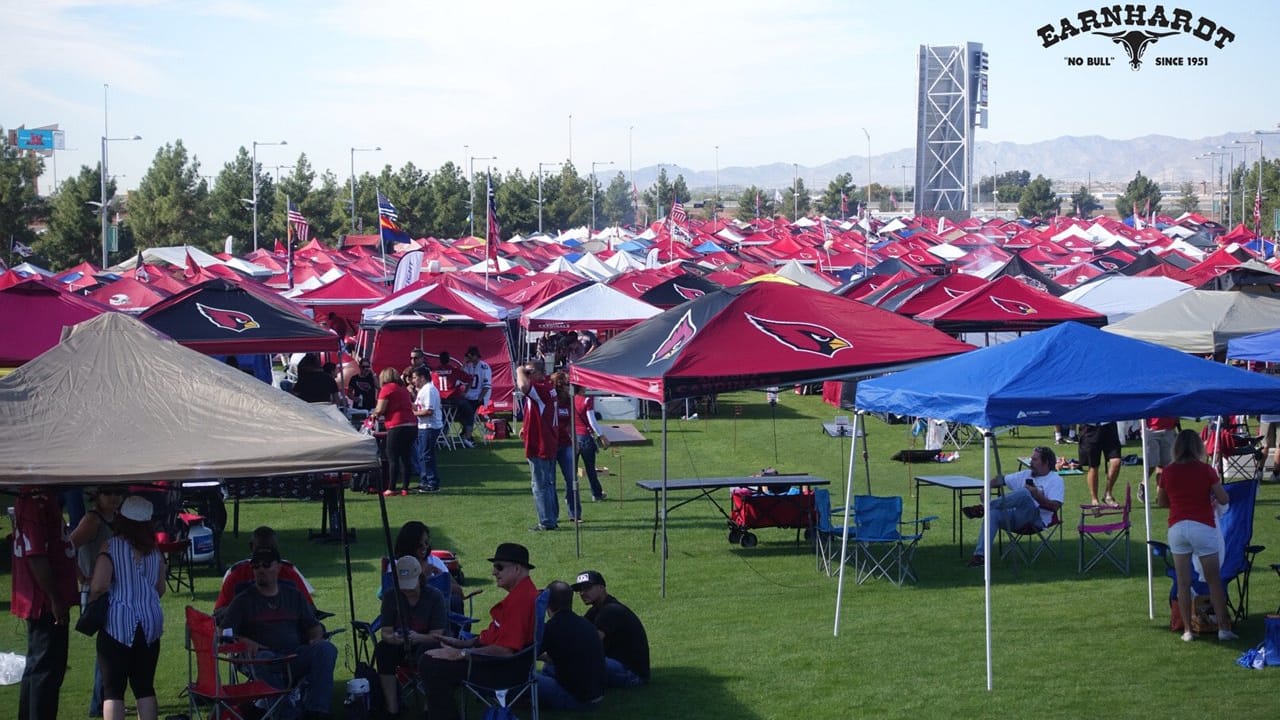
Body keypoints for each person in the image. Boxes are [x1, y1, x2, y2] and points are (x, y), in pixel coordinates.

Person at [420, 543, 539, 720]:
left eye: (499, 567)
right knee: (433, 651)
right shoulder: (522, 593)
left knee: (431, 663)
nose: (494, 572)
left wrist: (462, 653)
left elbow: (505, 651)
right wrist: (462, 643)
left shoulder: (520, 601)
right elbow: (496, 636)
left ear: (517, 568)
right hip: (501, 664)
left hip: (503, 671)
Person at [222, 546, 338, 720]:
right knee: (264, 658)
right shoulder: (243, 601)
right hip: (259, 658)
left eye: (266, 564)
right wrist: (243, 641)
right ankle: (287, 716)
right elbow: (223, 633)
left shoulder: (294, 596)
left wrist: (316, 638)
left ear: (278, 567)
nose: (260, 569)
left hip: (293, 655)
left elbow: (313, 626)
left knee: (326, 649)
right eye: (256, 565)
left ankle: (317, 712)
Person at [88, 496, 166, 720]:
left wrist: (93, 600)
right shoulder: (155, 551)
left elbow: (99, 585)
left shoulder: (111, 547)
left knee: (113, 690)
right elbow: (160, 589)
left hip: (118, 623)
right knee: (144, 687)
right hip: (151, 623)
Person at [1157, 429, 1237, 642]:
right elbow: (1223, 499)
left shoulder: (1168, 472)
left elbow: (1161, 501)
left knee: (1183, 583)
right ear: (1198, 447)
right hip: (1202, 526)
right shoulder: (1206, 470)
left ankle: (1187, 631)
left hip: (1177, 527)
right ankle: (1223, 628)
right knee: (1214, 581)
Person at [11, 487, 78, 720]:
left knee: (38, 669)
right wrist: (54, 598)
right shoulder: (35, 502)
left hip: (46, 598)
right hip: (44, 601)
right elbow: (36, 554)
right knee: (46, 672)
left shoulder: (39, 499)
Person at [70, 485, 124, 718]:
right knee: (108, 649)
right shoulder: (93, 520)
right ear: (97, 495)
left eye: (117, 493)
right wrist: (82, 576)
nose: (114, 498)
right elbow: (69, 547)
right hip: (96, 592)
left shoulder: (116, 519)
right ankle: (100, 703)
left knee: (111, 648)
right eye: (108, 493)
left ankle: (104, 700)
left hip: (111, 590)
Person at [962, 445, 1065, 568]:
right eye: (1031, 459)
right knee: (992, 514)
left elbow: (1054, 507)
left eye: (1035, 460)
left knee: (1025, 493)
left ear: (1046, 462)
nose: (1031, 462)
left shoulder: (1055, 480)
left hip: (1037, 520)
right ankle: (980, 556)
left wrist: (1037, 496)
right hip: (1016, 517)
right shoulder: (1026, 474)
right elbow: (1001, 479)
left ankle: (984, 508)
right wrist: (986, 486)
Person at [376, 556, 448, 719]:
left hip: (427, 642)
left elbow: (438, 635)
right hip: (401, 642)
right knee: (383, 650)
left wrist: (416, 637)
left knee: (430, 653)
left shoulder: (434, 597)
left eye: (410, 585)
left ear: (420, 578)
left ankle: (428, 709)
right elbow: (385, 631)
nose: (406, 590)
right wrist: (392, 638)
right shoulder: (390, 597)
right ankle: (392, 709)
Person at [214, 526, 316, 616]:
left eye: (269, 549)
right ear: (251, 547)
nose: (262, 568)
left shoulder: (289, 572)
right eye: (257, 565)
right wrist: (243, 607)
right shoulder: (236, 574)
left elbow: (310, 609)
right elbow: (218, 613)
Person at [572, 570, 650, 687]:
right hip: (618, 666)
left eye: (587, 588)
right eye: (580, 590)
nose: (583, 593)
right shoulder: (596, 610)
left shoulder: (610, 611)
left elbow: (591, 643)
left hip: (633, 675)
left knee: (580, 662)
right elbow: (578, 635)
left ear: (602, 587)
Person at [536, 580, 606, 711]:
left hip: (576, 699)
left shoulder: (552, 627)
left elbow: (527, 655)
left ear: (548, 604)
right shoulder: (585, 624)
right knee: (548, 667)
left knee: (526, 678)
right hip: (596, 695)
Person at [517, 363, 560, 531]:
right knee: (548, 483)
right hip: (548, 440)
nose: (527, 375)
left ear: (539, 373)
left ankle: (546, 521)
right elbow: (536, 410)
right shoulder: (548, 387)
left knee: (539, 484)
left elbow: (522, 386)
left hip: (541, 443)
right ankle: (551, 518)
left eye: (530, 372)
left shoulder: (541, 388)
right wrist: (525, 427)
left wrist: (519, 370)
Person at [371, 367, 417, 496]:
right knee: (406, 456)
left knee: (392, 457)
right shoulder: (403, 389)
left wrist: (374, 414)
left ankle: (391, 487)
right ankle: (405, 488)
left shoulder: (386, 389)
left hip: (397, 425)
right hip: (412, 425)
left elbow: (380, 409)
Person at [550, 371, 581, 522]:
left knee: (572, 479)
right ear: (559, 385)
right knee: (551, 481)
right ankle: (553, 515)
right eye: (567, 384)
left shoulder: (569, 401)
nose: (570, 387)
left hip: (566, 444)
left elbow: (571, 424)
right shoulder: (550, 399)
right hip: (551, 444)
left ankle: (574, 513)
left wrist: (575, 442)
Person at [573, 391, 610, 503]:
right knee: (590, 469)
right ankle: (596, 494)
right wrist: (601, 435)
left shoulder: (570, 398)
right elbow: (592, 421)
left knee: (571, 470)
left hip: (573, 437)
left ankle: (570, 496)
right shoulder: (586, 400)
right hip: (585, 437)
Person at [412, 366, 444, 493]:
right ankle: (425, 480)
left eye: (415, 378)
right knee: (423, 454)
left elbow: (429, 411)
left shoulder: (429, 390)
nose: (413, 380)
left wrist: (413, 414)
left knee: (426, 455)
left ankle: (432, 482)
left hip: (430, 426)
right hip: (424, 426)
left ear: (422, 377)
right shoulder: (422, 390)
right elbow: (418, 406)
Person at [1079, 421, 1123, 506]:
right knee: (1093, 466)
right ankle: (1094, 499)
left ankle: (1108, 494)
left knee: (1116, 462)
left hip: (1109, 424)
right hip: (1090, 426)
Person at [460, 345, 493, 446]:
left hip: (478, 396)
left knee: (469, 412)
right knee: (460, 410)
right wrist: (464, 363)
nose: (469, 358)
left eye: (471, 356)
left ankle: (468, 436)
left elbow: (486, 385)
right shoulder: (468, 366)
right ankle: (465, 431)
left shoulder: (484, 367)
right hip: (469, 395)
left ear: (476, 355)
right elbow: (459, 375)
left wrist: (480, 398)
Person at [1143, 417, 1179, 503]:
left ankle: (1160, 496)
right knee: (1152, 463)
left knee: (1165, 467)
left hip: (1169, 429)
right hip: (1151, 429)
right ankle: (1143, 483)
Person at [1260, 412, 1280, 482]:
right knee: (1265, 446)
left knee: (1278, 446)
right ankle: (1260, 471)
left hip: (1267, 417)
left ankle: (1275, 474)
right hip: (1266, 417)